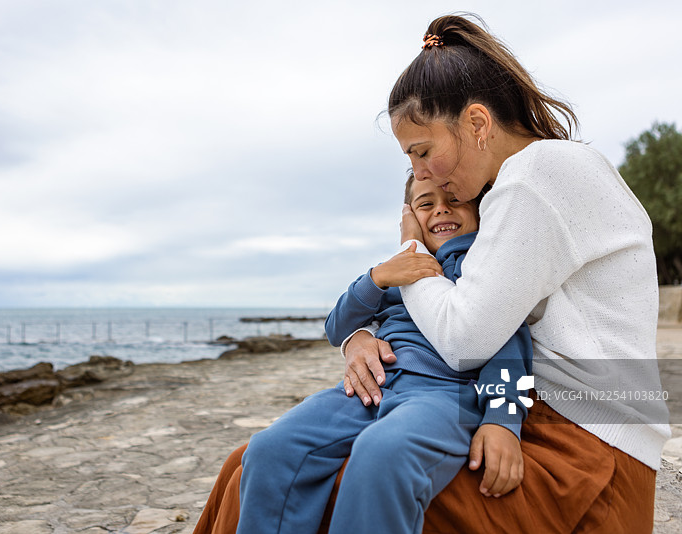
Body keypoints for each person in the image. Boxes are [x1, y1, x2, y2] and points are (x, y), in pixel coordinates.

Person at [194, 13, 670, 534]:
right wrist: (359, 335)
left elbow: (469, 337)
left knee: (347, 476)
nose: (419, 173)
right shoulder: (510, 186)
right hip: (532, 407)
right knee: (254, 459)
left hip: (585, 435)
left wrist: (410, 250)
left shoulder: (535, 178)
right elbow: (452, 309)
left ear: (478, 124)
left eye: (424, 152)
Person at [236, 174, 532, 534]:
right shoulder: (397, 274)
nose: (440, 208)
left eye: (454, 200)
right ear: (409, 215)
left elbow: (510, 343)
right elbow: (336, 328)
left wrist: (503, 420)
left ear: (479, 209)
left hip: (444, 397)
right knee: (270, 448)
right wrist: (377, 277)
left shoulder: (486, 266)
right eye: (425, 204)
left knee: (382, 453)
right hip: (371, 389)